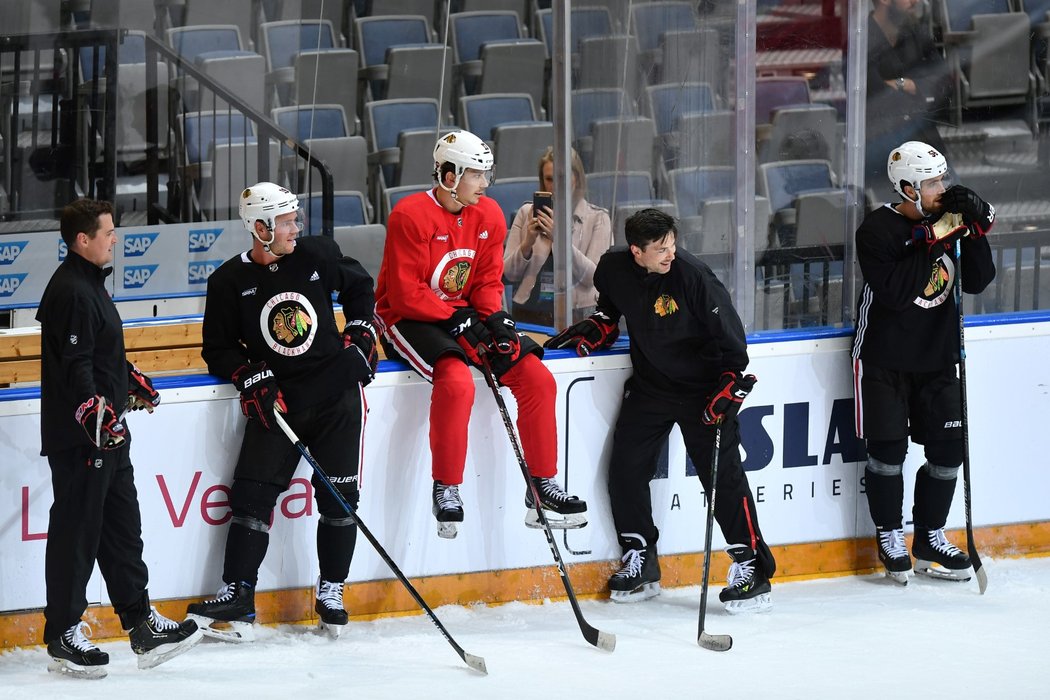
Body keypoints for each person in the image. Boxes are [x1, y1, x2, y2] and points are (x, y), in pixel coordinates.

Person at [546, 208, 776, 613]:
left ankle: (752, 565)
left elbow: (735, 349)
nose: (670, 253)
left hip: (703, 391)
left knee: (722, 478)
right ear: (636, 251)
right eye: (660, 249)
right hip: (652, 387)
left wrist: (727, 390)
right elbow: (611, 308)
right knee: (625, 468)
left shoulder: (694, 277)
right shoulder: (614, 268)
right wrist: (601, 324)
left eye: (672, 244)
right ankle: (641, 557)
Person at [374, 130, 588, 539]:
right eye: (477, 175)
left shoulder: (488, 214)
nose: (485, 185)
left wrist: (497, 318)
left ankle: (541, 486)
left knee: (537, 379)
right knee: (456, 382)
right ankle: (447, 486)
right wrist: (456, 320)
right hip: (406, 318)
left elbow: (487, 281)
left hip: (461, 314)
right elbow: (404, 294)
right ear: (450, 175)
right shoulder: (409, 214)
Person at [187, 183, 377, 640]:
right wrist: (249, 375)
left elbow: (361, 289)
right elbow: (217, 349)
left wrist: (362, 333)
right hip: (280, 404)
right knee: (251, 498)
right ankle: (239, 593)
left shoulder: (318, 255)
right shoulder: (227, 282)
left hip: (336, 398)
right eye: (288, 221)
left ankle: (331, 589)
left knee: (339, 500)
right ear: (260, 228)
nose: (298, 227)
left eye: (296, 219)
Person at [37, 198, 202, 678]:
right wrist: (94, 408)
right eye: (107, 232)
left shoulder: (91, 286)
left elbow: (97, 352)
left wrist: (125, 378)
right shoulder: (70, 290)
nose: (115, 239)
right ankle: (63, 634)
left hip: (111, 435)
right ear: (82, 240)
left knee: (122, 530)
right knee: (77, 534)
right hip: (85, 440)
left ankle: (140, 623)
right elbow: (75, 366)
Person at [852, 141, 996, 584]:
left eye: (942, 179)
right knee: (888, 453)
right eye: (931, 182)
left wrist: (973, 228)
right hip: (883, 357)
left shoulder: (949, 221)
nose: (941, 188)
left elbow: (978, 279)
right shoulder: (876, 230)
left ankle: (930, 535)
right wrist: (938, 235)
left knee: (949, 452)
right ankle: (890, 532)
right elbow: (895, 293)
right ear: (908, 188)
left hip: (937, 357)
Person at [502, 146, 612, 326]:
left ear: (576, 178)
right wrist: (527, 245)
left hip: (577, 314)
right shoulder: (525, 213)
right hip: (529, 311)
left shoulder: (598, 219)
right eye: (549, 179)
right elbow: (507, 274)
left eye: (562, 178)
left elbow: (593, 278)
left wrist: (560, 241)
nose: (555, 186)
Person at [866, 0, 953, 192]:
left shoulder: (915, 32)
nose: (916, 1)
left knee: (956, 209)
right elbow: (874, 92)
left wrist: (903, 83)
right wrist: (917, 85)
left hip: (925, 140)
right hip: (884, 151)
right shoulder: (861, 39)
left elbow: (944, 79)